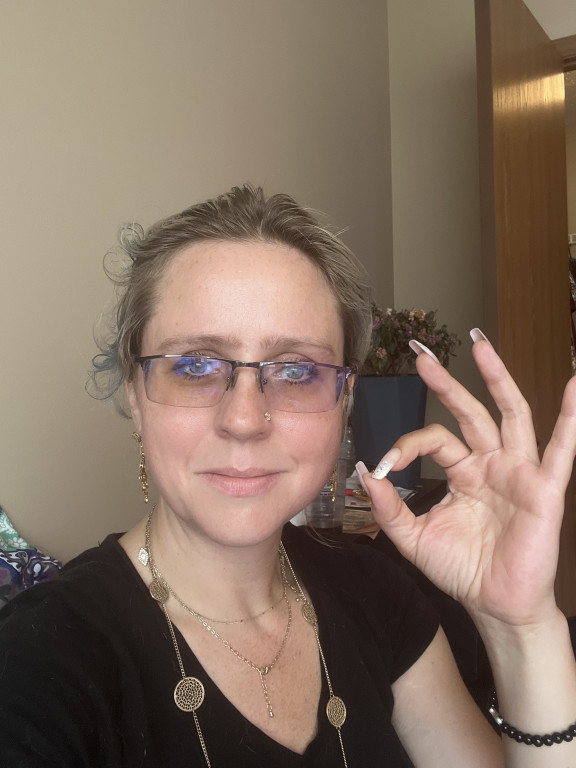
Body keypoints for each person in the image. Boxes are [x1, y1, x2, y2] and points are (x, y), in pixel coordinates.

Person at [1, 184, 576, 768]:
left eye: (297, 371)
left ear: (343, 401)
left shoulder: (376, 592)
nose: (245, 419)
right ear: (135, 393)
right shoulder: (38, 665)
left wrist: (521, 628)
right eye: (195, 365)